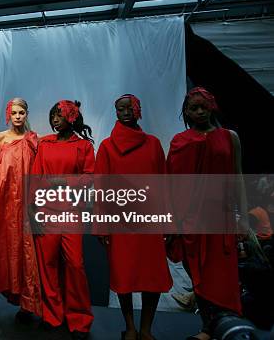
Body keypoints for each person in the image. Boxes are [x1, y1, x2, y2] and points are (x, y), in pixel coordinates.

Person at [167, 87, 243, 340]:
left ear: (212, 106)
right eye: (193, 108)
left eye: (203, 106)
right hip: (190, 219)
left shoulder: (230, 137)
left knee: (222, 274)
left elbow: (237, 178)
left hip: (220, 217)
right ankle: (209, 325)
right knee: (197, 273)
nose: (199, 111)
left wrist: (242, 218)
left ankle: (219, 326)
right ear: (186, 112)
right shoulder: (180, 141)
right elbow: (171, 183)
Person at [94, 95, 172, 340]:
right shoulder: (106, 146)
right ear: (115, 112)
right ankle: (129, 327)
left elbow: (165, 184)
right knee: (124, 275)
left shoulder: (154, 144)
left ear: (138, 110)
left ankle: (146, 328)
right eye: (120, 108)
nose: (125, 112)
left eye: (129, 107)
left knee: (153, 276)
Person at [0, 97, 42, 322]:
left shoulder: (34, 140)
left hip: (25, 201)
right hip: (3, 202)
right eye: (14, 113)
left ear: (26, 114)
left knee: (25, 249)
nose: (17, 117)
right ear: (8, 114)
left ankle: (26, 302)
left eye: (21, 113)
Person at [32, 100, 94, 338]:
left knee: (75, 264)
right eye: (52, 116)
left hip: (71, 213)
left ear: (71, 117)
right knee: (47, 266)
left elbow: (90, 178)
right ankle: (52, 314)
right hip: (45, 213)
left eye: (59, 115)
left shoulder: (83, 146)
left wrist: (63, 182)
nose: (55, 119)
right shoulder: (45, 144)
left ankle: (79, 317)